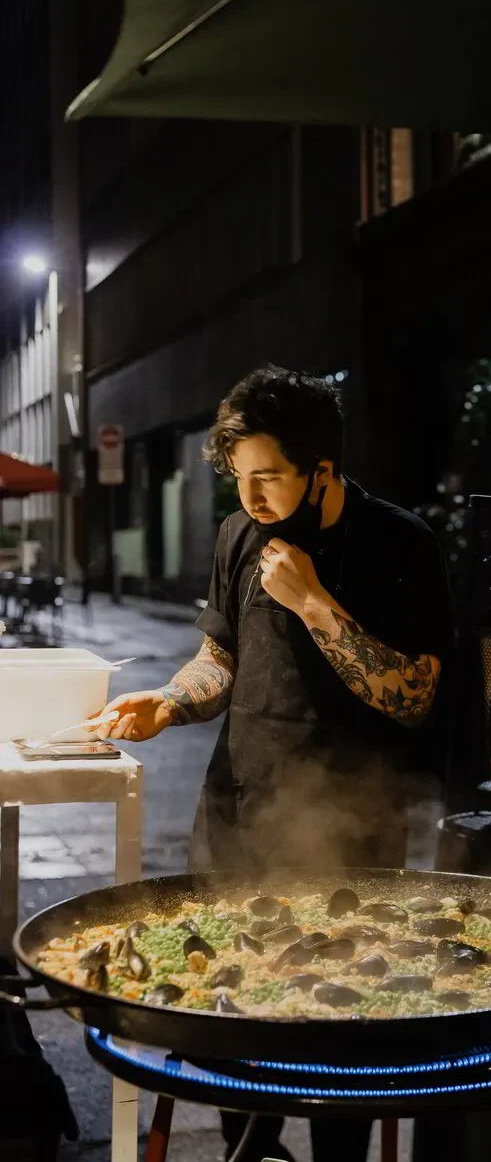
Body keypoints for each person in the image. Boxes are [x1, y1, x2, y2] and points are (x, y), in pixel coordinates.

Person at [100, 367, 453, 1162]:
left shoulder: (404, 544)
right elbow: (219, 654)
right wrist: (169, 701)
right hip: (236, 811)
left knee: (340, 1033)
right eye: (239, 478)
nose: (251, 499)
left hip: (351, 832)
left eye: (269, 479)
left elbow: (414, 696)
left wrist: (315, 602)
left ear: (321, 470)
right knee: (225, 1019)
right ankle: (248, 1150)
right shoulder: (238, 534)